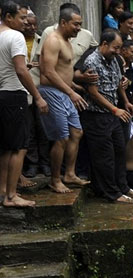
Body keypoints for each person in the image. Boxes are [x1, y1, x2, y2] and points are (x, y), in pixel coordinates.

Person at [80, 29, 133, 204]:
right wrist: (115, 109)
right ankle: (111, 192)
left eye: (120, 48)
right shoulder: (92, 62)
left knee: (120, 150)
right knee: (104, 156)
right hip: (97, 115)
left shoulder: (114, 60)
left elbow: (119, 82)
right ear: (104, 44)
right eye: (115, 47)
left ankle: (122, 186)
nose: (118, 51)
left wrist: (126, 101)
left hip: (112, 114)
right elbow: (94, 94)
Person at [0, 0, 48, 207]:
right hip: (14, 95)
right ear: (8, 17)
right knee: (19, 147)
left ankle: (3, 191)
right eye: (21, 17)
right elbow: (20, 70)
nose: (25, 21)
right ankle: (11, 195)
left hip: (2, 94)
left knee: (5, 148)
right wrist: (37, 96)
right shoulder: (15, 36)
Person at [38, 4, 90, 193]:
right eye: (76, 24)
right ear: (63, 22)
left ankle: (69, 173)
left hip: (65, 92)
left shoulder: (66, 40)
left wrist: (74, 86)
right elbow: (49, 73)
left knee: (76, 133)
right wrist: (71, 92)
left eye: (80, 24)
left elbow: (63, 71)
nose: (79, 28)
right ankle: (55, 180)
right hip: (52, 93)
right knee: (61, 138)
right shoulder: (53, 40)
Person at [22, 7, 50, 179]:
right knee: (29, 129)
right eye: (29, 25)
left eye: (34, 25)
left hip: (41, 90)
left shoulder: (43, 41)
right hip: (23, 91)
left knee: (43, 128)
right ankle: (32, 164)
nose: (32, 28)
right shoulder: (17, 40)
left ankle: (45, 163)